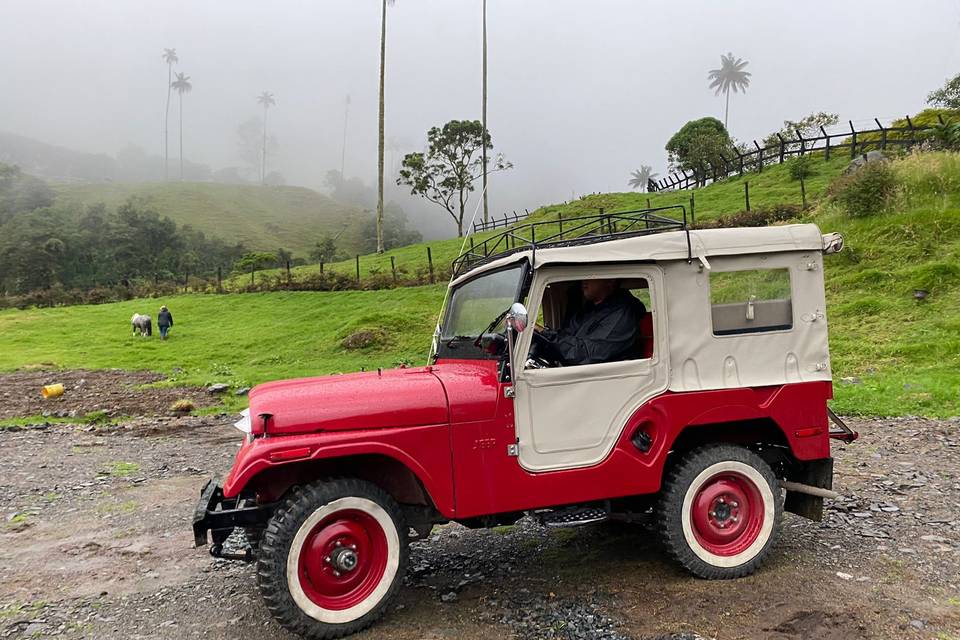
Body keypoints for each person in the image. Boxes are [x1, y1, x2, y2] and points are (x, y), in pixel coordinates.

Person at [535, 279, 643, 366]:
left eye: (592, 275)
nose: (584, 280)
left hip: (608, 382)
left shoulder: (623, 313)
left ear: (610, 281)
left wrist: (544, 333)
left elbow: (588, 354)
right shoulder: (590, 309)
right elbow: (566, 335)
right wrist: (542, 335)